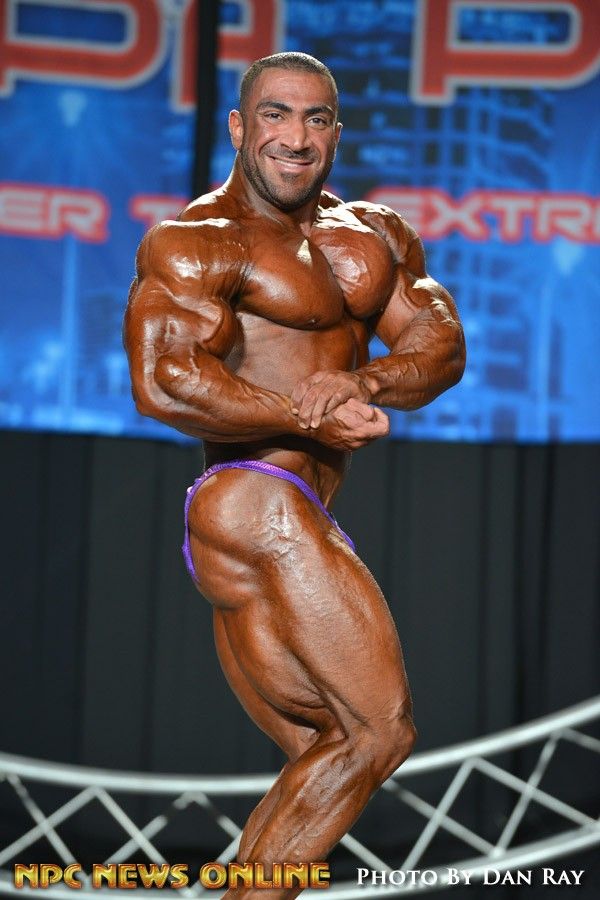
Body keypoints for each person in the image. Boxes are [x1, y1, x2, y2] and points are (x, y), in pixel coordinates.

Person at [123, 52, 465, 897]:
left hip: (291, 508)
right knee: (379, 729)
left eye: (316, 118)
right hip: (250, 498)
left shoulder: (376, 234)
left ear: (336, 134)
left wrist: (364, 383)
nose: (296, 137)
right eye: (275, 115)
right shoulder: (198, 239)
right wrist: (309, 412)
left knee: (331, 750)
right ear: (240, 127)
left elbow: (440, 344)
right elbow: (166, 380)